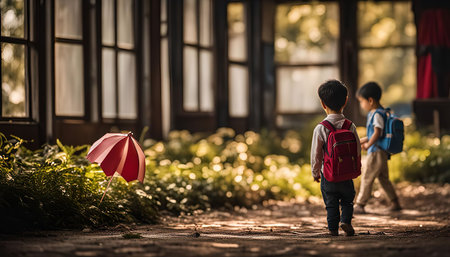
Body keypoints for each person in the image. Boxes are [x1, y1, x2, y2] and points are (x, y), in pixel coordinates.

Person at [311, 79, 361, 236]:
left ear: (322, 104)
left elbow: (316, 154)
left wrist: (315, 172)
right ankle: (345, 221)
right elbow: (357, 149)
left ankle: (333, 229)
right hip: (346, 175)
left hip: (329, 175)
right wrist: (355, 167)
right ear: (345, 101)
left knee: (331, 204)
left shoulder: (321, 128)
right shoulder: (350, 126)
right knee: (347, 201)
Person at [354, 82, 401, 214]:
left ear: (370, 100)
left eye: (361, 101)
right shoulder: (382, 112)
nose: (361, 105)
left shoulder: (376, 114)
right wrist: (361, 141)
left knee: (367, 176)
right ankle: (394, 202)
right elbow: (372, 134)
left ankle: (360, 204)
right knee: (383, 179)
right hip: (381, 151)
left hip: (375, 152)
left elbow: (377, 133)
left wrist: (368, 145)